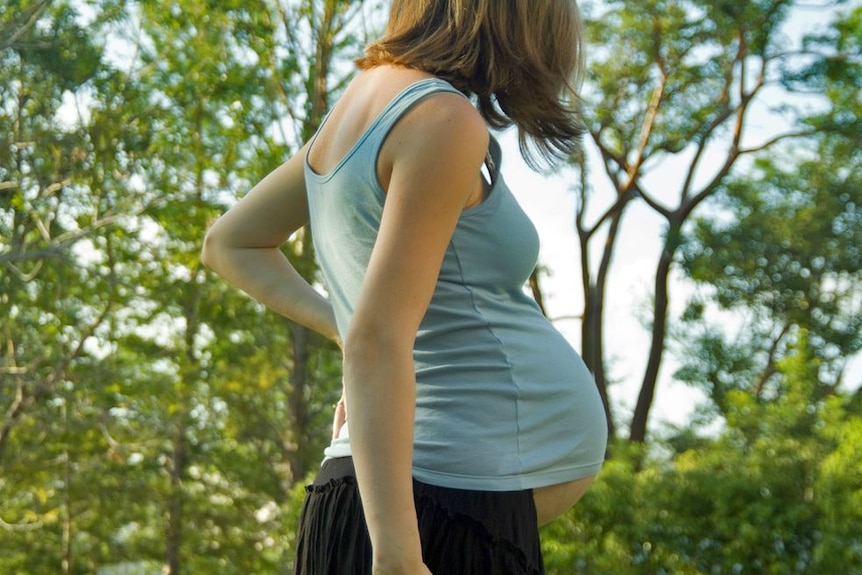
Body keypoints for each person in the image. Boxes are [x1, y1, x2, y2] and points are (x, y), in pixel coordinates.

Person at [201, 0, 608, 573]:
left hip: (398, 506)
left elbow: (229, 243)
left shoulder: (359, 109)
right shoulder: (441, 119)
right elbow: (377, 336)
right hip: (431, 519)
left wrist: (346, 330)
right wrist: (397, 555)